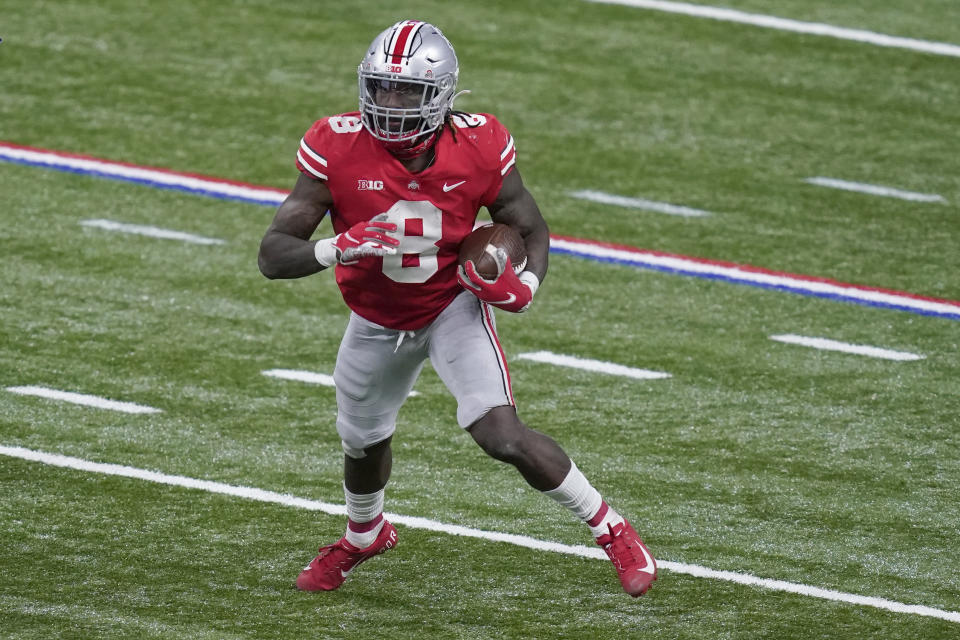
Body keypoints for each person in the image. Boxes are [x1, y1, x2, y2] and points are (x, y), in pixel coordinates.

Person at [257, 19, 657, 597]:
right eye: (381, 88)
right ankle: (365, 534)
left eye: (408, 92)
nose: (390, 105)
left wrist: (526, 286)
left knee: (501, 434)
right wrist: (335, 246)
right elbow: (273, 254)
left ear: (442, 95)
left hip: (451, 305)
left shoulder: (479, 144)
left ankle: (613, 529)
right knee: (362, 443)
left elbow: (529, 227)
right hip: (374, 317)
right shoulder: (335, 144)